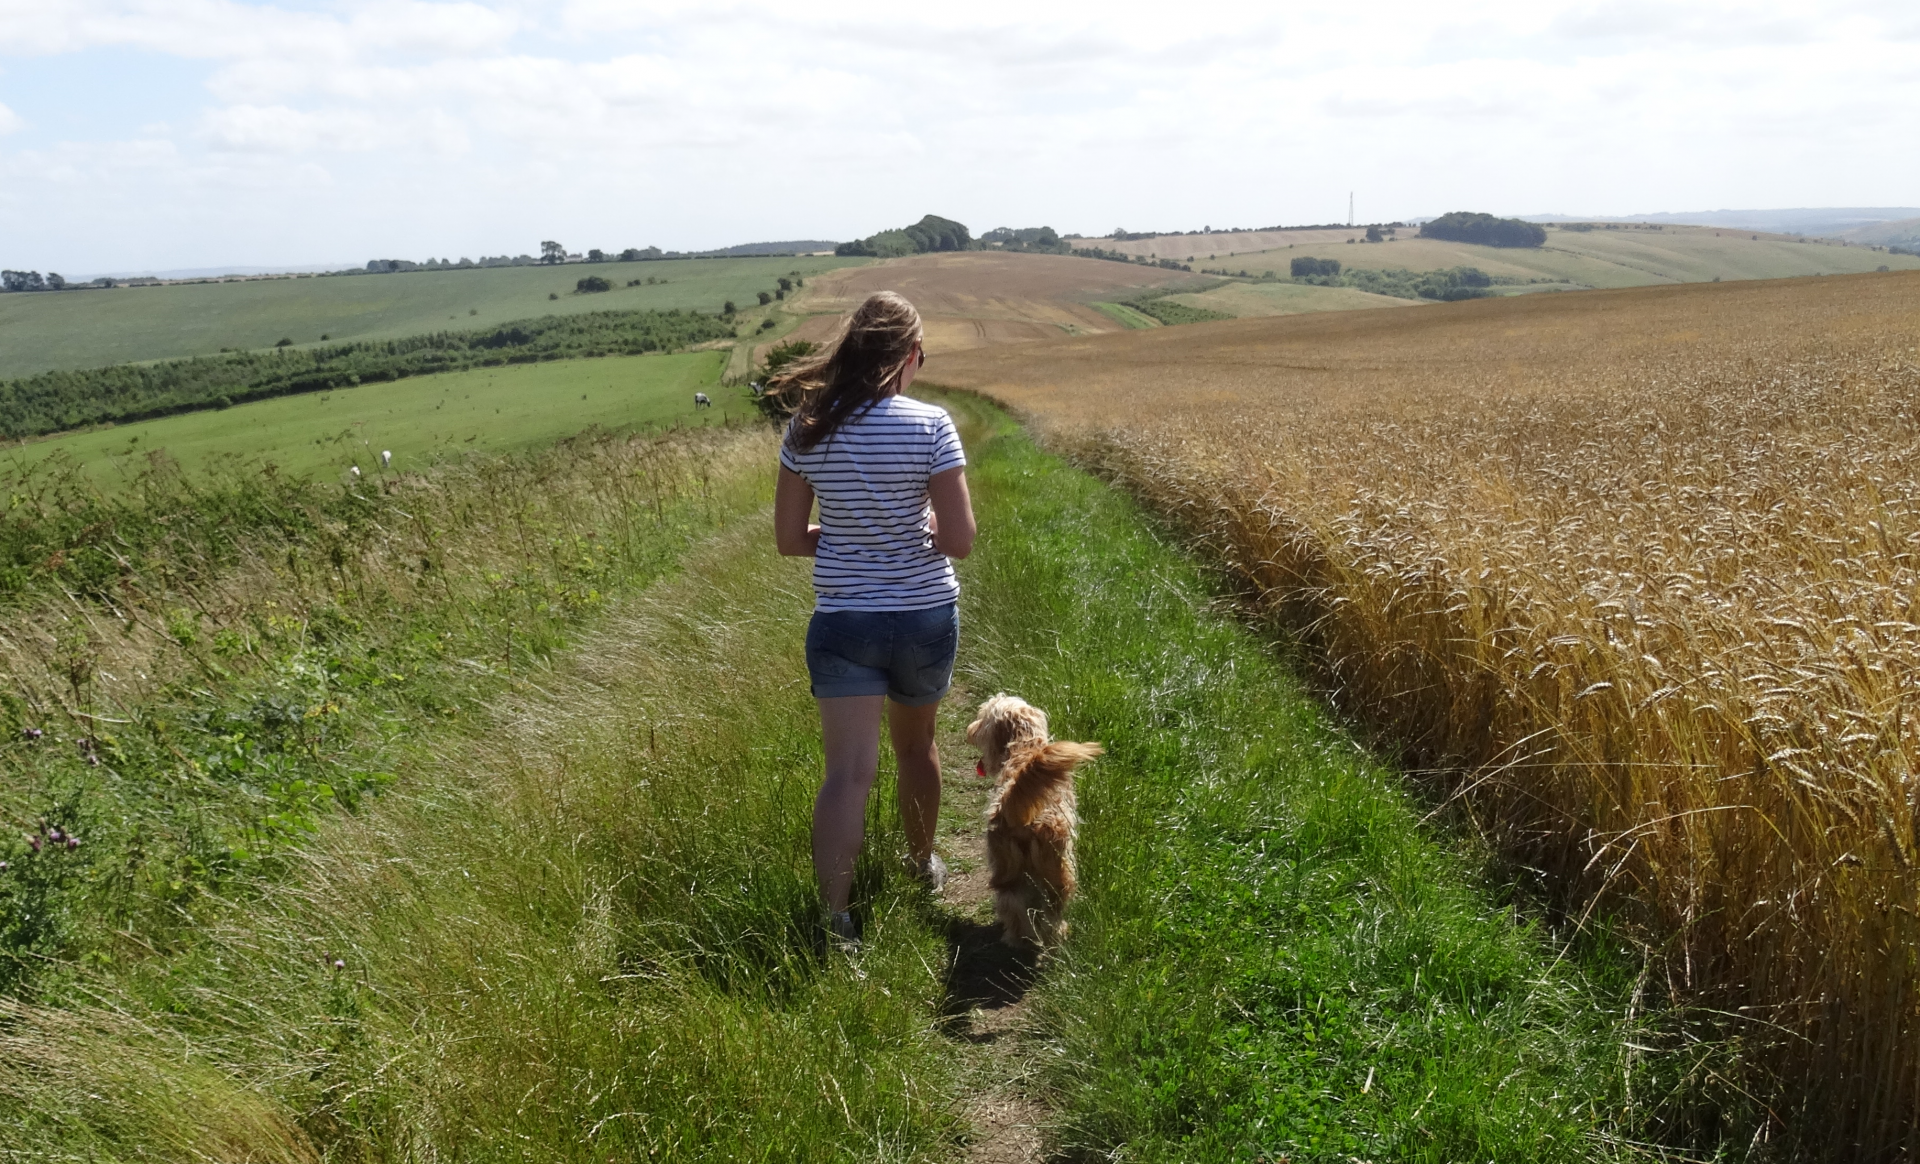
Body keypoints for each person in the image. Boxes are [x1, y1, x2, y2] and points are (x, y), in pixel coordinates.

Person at [770, 291, 976, 951]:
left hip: (843, 621)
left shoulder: (808, 427)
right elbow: (960, 540)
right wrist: (918, 527)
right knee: (917, 748)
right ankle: (921, 866)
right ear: (911, 355)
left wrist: (847, 533)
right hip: (922, 615)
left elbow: (790, 539)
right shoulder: (932, 425)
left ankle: (836, 922)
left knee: (847, 774)